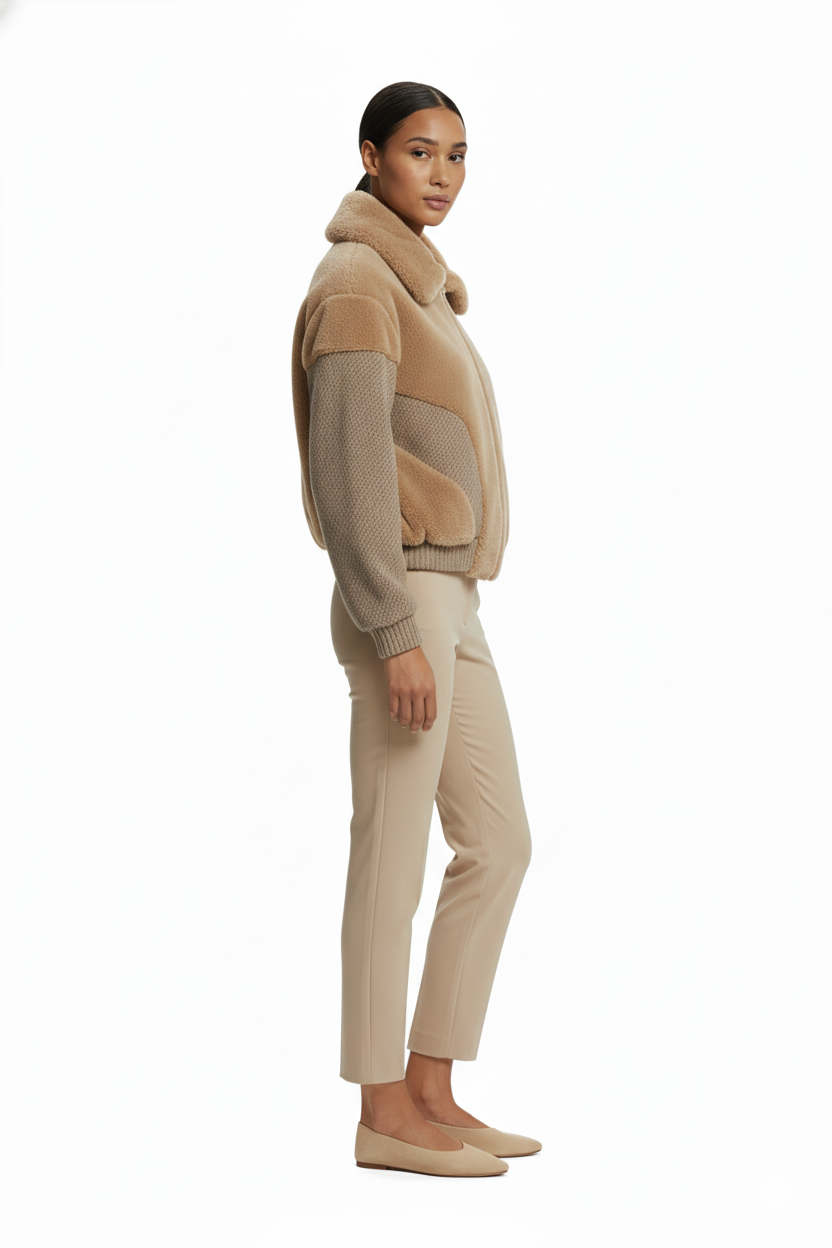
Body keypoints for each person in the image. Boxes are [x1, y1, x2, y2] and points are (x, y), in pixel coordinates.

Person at [291, 81, 540, 1178]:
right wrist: (392, 628)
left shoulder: (419, 286)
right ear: (370, 156)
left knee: (499, 842)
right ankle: (381, 1111)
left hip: (453, 597)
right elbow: (348, 477)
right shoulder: (358, 282)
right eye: (420, 152)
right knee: (391, 857)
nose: (442, 174)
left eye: (458, 155)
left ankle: (432, 1086)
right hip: (400, 599)